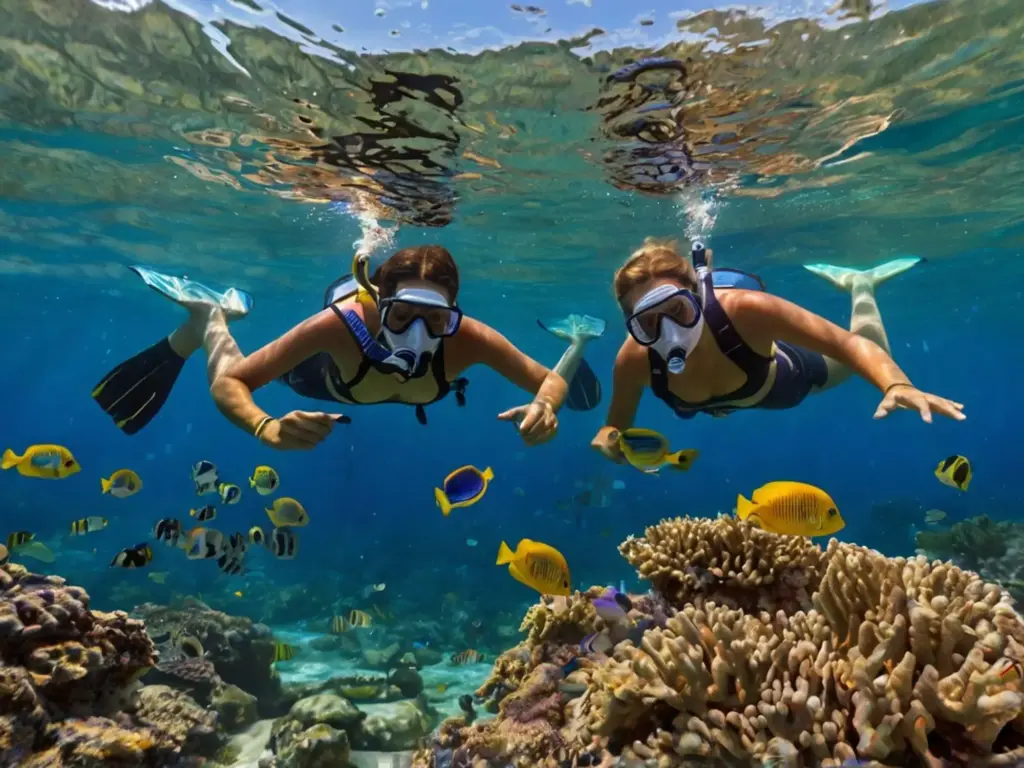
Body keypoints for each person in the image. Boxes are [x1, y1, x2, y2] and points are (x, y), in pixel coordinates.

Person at [93, 245, 603, 450]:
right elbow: (233, 382)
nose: (419, 337)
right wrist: (264, 426)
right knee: (232, 359)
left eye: (437, 320)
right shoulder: (338, 327)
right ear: (379, 305)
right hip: (322, 382)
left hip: (363, 390)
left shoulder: (468, 337)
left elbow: (549, 380)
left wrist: (545, 407)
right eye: (402, 317)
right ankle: (212, 318)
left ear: (453, 313)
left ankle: (199, 321)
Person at [591, 238, 965, 461]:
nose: (668, 332)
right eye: (648, 323)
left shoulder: (748, 310)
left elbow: (850, 345)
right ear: (632, 326)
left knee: (866, 351)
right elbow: (615, 426)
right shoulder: (633, 360)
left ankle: (860, 284)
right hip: (719, 397)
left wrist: (896, 385)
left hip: (784, 378)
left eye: (678, 310)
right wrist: (608, 441)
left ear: (699, 298)